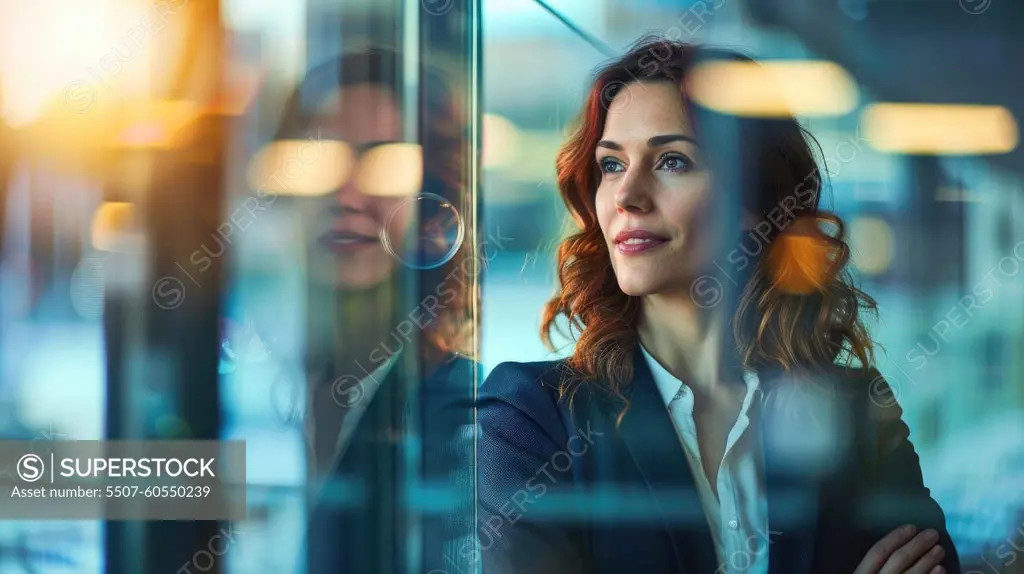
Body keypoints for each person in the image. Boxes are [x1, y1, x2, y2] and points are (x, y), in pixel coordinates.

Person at [475, 38, 961, 574]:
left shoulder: (856, 412)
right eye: (611, 165)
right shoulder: (528, 417)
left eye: (672, 160)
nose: (627, 196)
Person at [267, 46, 477, 573]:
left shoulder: (470, 416)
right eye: (316, 160)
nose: (347, 194)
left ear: (436, 202)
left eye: (386, 164)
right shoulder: (252, 385)